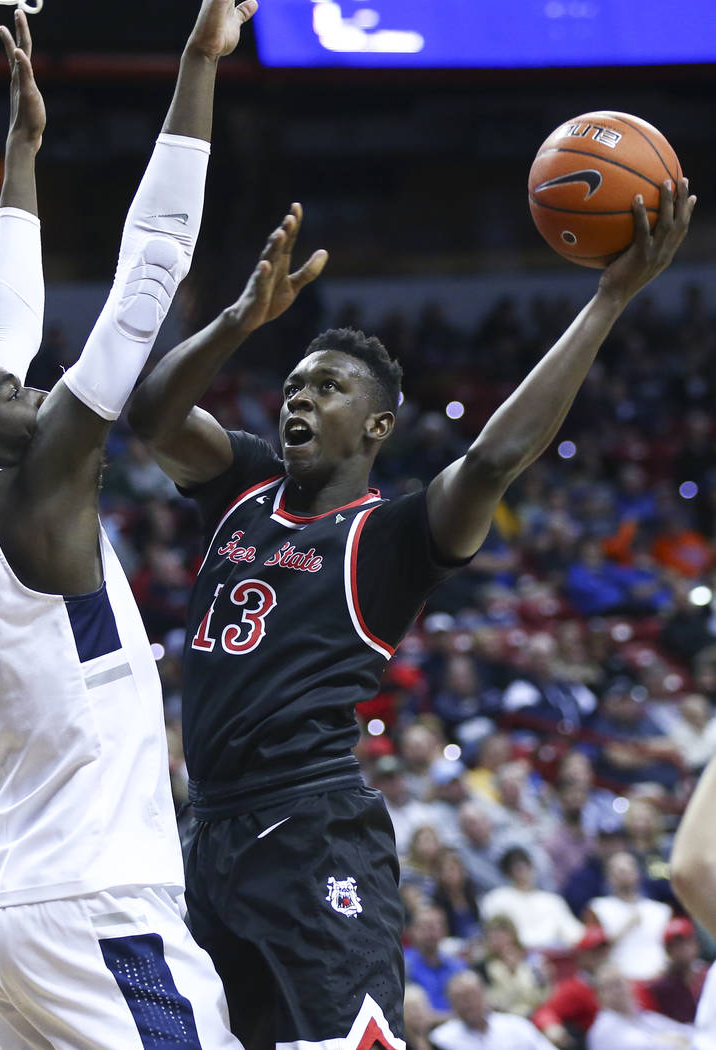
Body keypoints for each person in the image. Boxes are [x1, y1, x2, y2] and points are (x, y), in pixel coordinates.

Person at [126, 174, 694, 1050]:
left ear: (378, 427)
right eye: (295, 384)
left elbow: (498, 454)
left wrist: (608, 299)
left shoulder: (390, 535)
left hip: (311, 828)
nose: (299, 397)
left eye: (328, 388)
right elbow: (154, 415)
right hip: (207, 832)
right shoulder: (243, 485)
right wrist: (240, 317)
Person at [0, 4, 256, 1050]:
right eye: (7, 390)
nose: (27, 386)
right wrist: (197, 66)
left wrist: (23, 154)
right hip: (97, 902)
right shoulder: (43, 483)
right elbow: (152, 270)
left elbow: (8, 332)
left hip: (6, 912)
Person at [584, 850, 672, 980]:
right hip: (620, 980)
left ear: (638, 873)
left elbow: (673, 949)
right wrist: (625, 928)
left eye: (628, 869)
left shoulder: (660, 910)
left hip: (660, 978)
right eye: (618, 871)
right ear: (609, 877)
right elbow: (592, 954)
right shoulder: (597, 908)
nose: (624, 874)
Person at [429, 970, 556, 1050]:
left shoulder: (516, 1026)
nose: (467, 1003)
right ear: (451, 1004)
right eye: (459, 998)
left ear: (485, 994)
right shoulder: (441, 1039)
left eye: (471, 995)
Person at [587, 964, 696, 1050]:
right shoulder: (603, 1029)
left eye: (619, 984)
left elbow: (687, 1031)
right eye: (608, 987)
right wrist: (676, 1041)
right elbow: (646, 1047)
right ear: (598, 996)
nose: (617, 992)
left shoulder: (646, 1017)